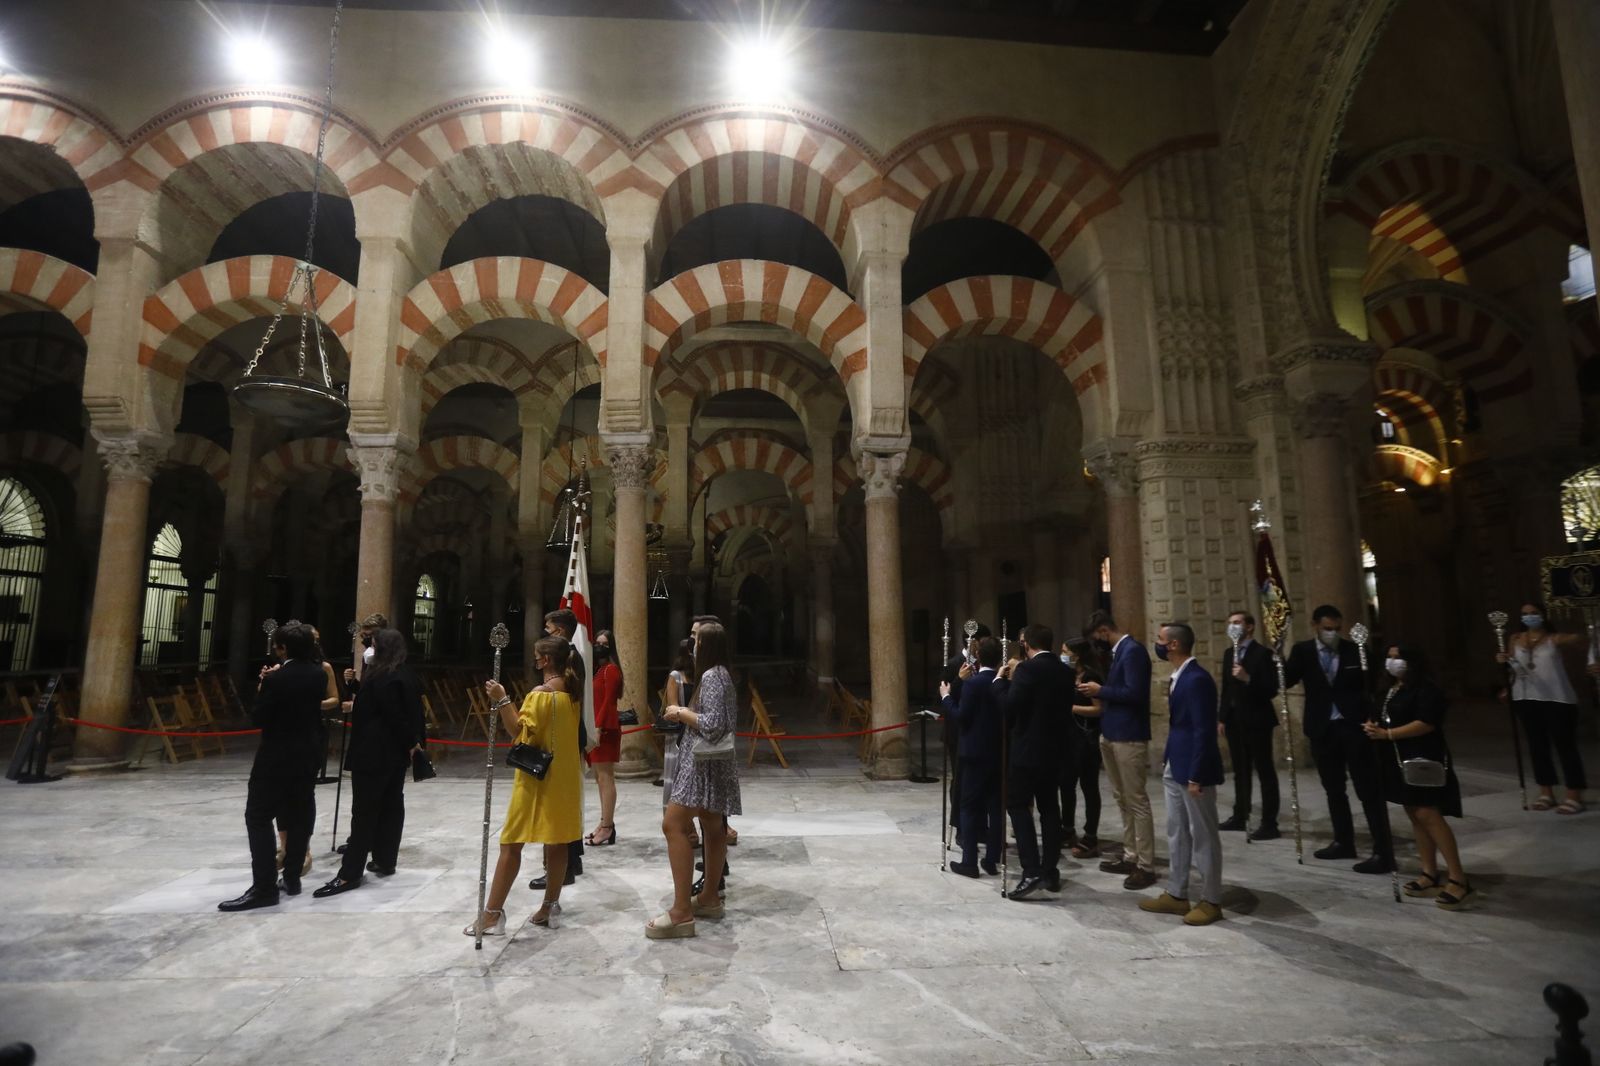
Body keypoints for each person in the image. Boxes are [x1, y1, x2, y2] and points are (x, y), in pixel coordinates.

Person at [465, 635, 585, 935]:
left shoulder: (540, 694)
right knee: (557, 842)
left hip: (537, 778)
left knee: (511, 843)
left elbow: (519, 733)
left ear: (545, 661)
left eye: (536, 656)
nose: (534, 660)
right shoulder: (573, 692)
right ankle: (549, 906)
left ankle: (492, 915)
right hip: (565, 778)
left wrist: (503, 698)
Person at [219, 622, 324, 911]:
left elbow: (259, 718)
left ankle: (264, 886)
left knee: (258, 816)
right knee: (300, 813)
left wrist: (264, 684)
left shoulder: (278, 679)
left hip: (277, 755)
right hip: (308, 753)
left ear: (284, 648)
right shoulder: (317, 674)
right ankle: (291, 877)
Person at [1283, 605, 1394, 874]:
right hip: (1323, 728)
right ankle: (1343, 841)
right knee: (1334, 788)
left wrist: (1373, 716)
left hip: (1354, 726)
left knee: (1368, 789)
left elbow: (1373, 686)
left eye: (1336, 629)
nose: (1332, 633)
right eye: (1327, 629)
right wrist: (1276, 660)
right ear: (1315, 626)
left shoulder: (1355, 650)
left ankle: (1383, 849)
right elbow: (1286, 680)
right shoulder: (1303, 651)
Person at [313, 628, 424, 897]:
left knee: (363, 814)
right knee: (391, 806)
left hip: (374, 754)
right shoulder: (404, 673)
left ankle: (349, 874)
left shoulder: (384, 676)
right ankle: (386, 859)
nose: (368, 650)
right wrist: (413, 745)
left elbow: (391, 715)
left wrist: (411, 742)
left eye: (372, 644)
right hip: (395, 755)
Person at [1363, 645, 1474, 909]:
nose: (1392, 662)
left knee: (1428, 814)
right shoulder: (1389, 688)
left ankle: (1458, 878)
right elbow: (1383, 716)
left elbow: (1426, 722)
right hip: (1396, 759)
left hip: (1422, 757)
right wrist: (1373, 726)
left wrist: (1388, 735)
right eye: (1388, 657)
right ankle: (1429, 872)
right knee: (1415, 814)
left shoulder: (1426, 689)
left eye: (1397, 657)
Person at [651, 620, 741, 939]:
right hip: (712, 763)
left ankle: (680, 912)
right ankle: (708, 898)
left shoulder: (711, 676)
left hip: (701, 764)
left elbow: (714, 724)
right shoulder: (721, 674)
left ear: (707, 644)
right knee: (712, 825)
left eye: (695, 638)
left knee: (673, 825)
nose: (690, 643)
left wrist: (679, 712)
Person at [1139, 623, 1226, 925]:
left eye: (1160, 640)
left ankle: (1212, 899)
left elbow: (1203, 730)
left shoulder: (1197, 679)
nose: (1157, 644)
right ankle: (1177, 893)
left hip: (1193, 769)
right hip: (1175, 763)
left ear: (1174, 645)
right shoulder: (1180, 677)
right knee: (1177, 831)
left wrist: (1197, 773)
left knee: (1203, 835)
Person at [1078, 610, 1157, 890]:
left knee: (1136, 800)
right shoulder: (1118, 652)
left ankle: (1145, 864)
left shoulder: (1133, 651)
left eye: (1095, 638)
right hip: (1112, 732)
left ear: (1103, 630)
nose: (1096, 643)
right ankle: (1130, 853)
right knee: (1121, 798)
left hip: (1129, 734)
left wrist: (1101, 690)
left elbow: (1134, 693)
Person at [993, 623, 1073, 899]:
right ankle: (1050, 870)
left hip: (1028, 751)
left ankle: (1031, 870)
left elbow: (1009, 707)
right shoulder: (1065, 671)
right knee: (1050, 809)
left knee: (1016, 805)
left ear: (1026, 644)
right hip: (1055, 751)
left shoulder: (1028, 669)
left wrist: (1001, 682)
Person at [1499, 602, 1588, 814]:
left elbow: (1580, 640)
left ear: (1543, 615)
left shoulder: (1553, 639)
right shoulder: (1515, 639)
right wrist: (1506, 676)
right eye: (1525, 614)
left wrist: (1584, 633)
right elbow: (1514, 668)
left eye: (1533, 613)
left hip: (1557, 698)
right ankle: (1546, 791)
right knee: (1537, 746)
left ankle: (1574, 794)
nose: (1529, 617)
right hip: (1526, 696)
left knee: (1565, 746)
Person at [277, 625, 342, 877]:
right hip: (284, 736)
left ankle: (302, 849)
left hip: (311, 733)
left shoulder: (322, 669)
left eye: (316, 639)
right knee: (282, 794)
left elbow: (334, 699)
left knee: (304, 793)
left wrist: (313, 703)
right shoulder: (283, 669)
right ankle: (284, 846)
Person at [530, 608, 588, 890]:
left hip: (563, 736)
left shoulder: (570, 660)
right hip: (565, 734)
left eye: (549, 629)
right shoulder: (571, 656)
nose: (545, 633)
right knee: (565, 802)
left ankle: (563, 866)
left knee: (562, 804)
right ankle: (569, 863)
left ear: (560, 631)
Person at [939, 635, 1003, 877]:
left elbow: (962, 716)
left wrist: (946, 696)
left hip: (973, 752)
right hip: (996, 751)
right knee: (995, 807)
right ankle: (992, 858)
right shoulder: (1001, 682)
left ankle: (969, 862)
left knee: (968, 806)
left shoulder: (974, 684)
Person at [1217, 611, 1281, 840]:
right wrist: (1222, 717)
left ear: (1250, 627)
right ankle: (1240, 814)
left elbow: (1272, 688)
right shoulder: (1228, 654)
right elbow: (1226, 689)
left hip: (1258, 719)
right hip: (1235, 720)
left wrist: (1248, 679)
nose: (1232, 627)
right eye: (1230, 623)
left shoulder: (1262, 654)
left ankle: (1269, 822)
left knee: (1264, 770)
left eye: (1237, 623)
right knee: (1240, 770)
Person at [1060, 637, 1103, 859]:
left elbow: (1098, 709)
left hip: (1086, 739)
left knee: (1088, 786)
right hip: (1068, 738)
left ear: (1076, 655)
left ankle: (1091, 835)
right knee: (1066, 785)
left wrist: (1072, 707)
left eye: (1065, 650)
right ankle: (1067, 829)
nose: (1062, 653)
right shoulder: (1067, 675)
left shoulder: (1090, 677)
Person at [585, 628, 623, 845]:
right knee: (599, 778)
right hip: (598, 728)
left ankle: (607, 827)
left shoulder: (611, 670)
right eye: (597, 642)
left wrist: (598, 728)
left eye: (603, 643)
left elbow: (608, 702)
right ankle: (604, 823)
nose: (599, 646)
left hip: (606, 730)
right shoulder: (599, 670)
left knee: (606, 778)